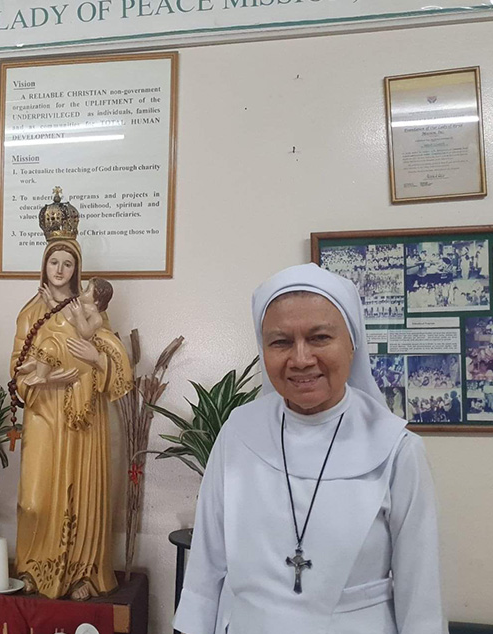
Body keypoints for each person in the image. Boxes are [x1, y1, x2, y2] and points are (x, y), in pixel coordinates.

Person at [174, 263, 445, 634]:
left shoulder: (397, 449)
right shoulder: (239, 431)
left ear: (352, 343)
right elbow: (206, 567)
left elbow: (422, 596)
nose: (300, 359)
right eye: (281, 342)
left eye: (319, 338)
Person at [11, 212, 132, 601]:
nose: (60, 269)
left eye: (68, 263)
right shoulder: (31, 312)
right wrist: (42, 380)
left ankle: (83, 572)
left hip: (84, 418)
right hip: (45, 412)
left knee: (82, 493)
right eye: (54, 261)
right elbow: (18, 369)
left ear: (77, 268)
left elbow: (112, 356)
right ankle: (34, 568)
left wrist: (95, 360)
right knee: (34, 500)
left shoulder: (90, 309)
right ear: (43, 264)